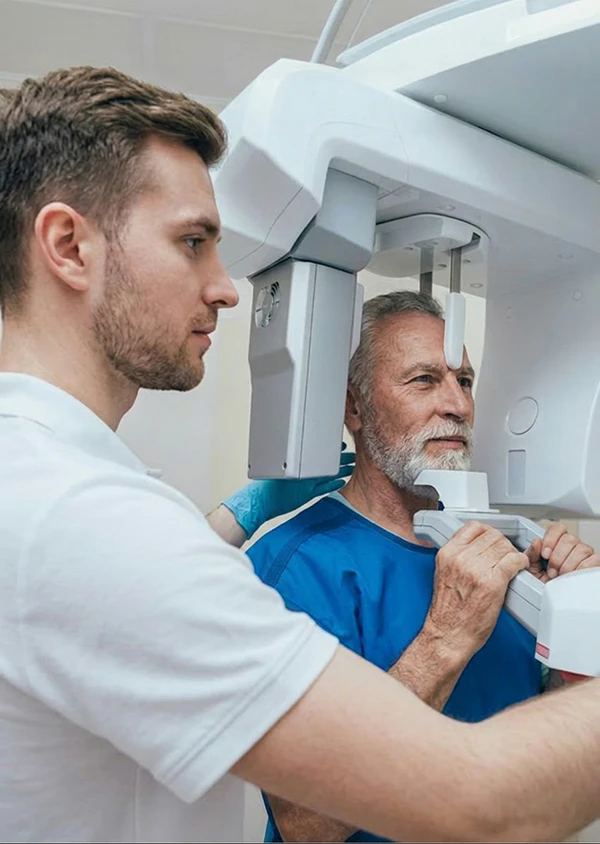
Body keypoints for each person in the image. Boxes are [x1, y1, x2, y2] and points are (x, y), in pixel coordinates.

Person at [2, 66, 600, 844]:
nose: (224, 289)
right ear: (68, 246)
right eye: (193, 243)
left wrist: (574, 625)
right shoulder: (86, 518)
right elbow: (472, 801)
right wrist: (448, 636)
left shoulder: (63, 490)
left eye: (463, 379)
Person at [248, 290, 598, 842]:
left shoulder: (507, 552)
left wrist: (571, 636)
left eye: (464, 380)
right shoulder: (293, 566)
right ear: (354, 408)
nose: (457, 404)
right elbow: (304, 824)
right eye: (424, 381)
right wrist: (443, 640)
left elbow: (540, 751)